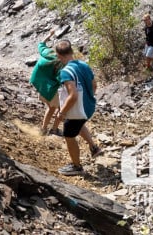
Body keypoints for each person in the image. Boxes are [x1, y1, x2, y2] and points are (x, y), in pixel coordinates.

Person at [54, 39, 102, 176]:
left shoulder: (65, 72)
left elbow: (73, 95)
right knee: (79, 123)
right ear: (71, 51)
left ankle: (76, 166)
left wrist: (62, 112)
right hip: (89, 107)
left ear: (59, 55)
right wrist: (88, 98)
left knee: (69, 135)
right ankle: (94, 147)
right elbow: (94, 85)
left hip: (77, 109)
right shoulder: (83, 65)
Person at [29, 30, 63, 136]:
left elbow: (41, 44)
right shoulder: (60, 64)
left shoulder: (48, 52)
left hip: (38, 83)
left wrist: (49, 35)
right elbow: (61, 80)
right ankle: (53, 129)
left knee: (51, 107)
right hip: (49, 88)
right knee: (61, 108)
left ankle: (43, 129)